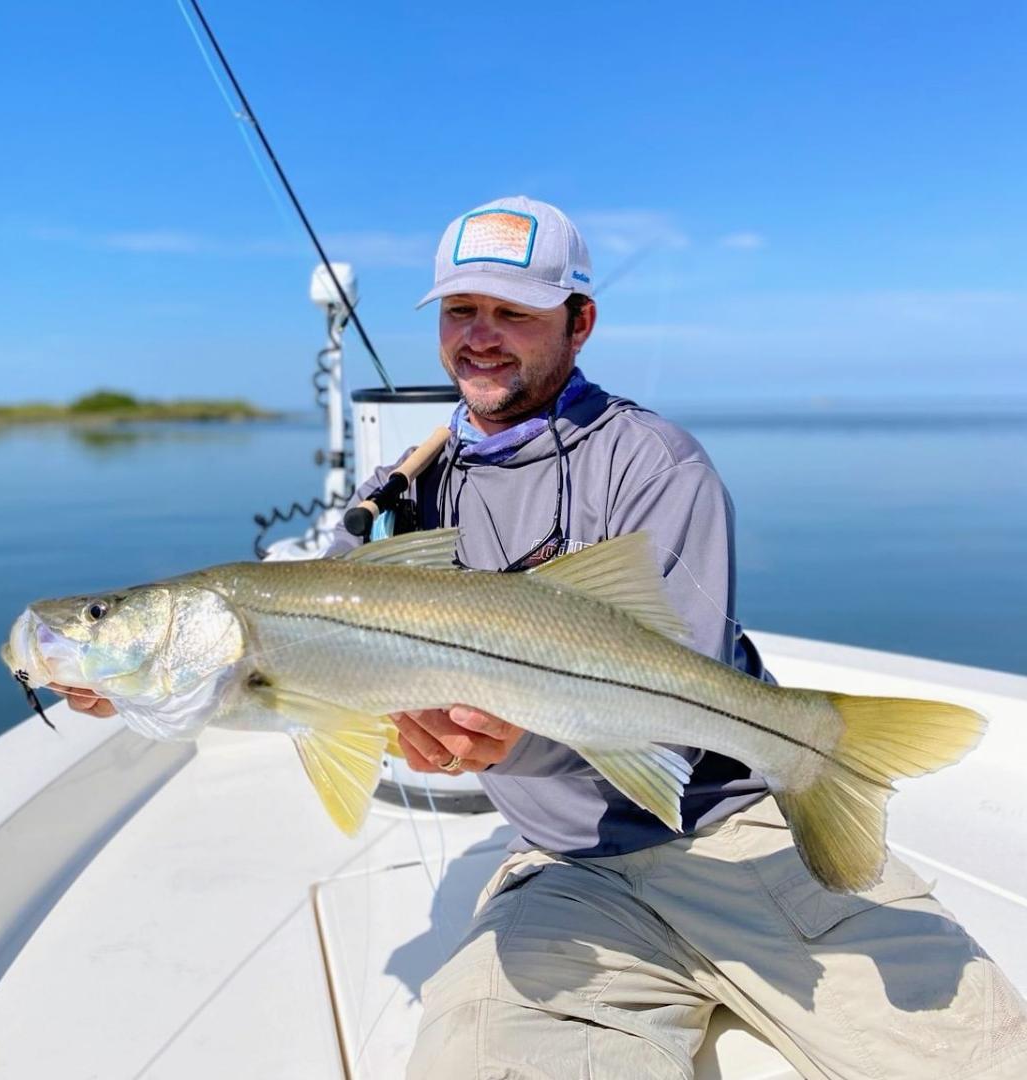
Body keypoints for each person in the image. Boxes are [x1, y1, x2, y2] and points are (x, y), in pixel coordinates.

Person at [57, 196, 1027, 1078]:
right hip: (564, 869)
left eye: (513, 313)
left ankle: (825, 758)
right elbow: (279, 681)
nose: (479, 339)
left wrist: (523, 737)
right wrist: (133, 684)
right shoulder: (408, 493)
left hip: (730, 834)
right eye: (458, 312)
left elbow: (675, 711)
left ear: (581, 322)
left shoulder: (658, 465)